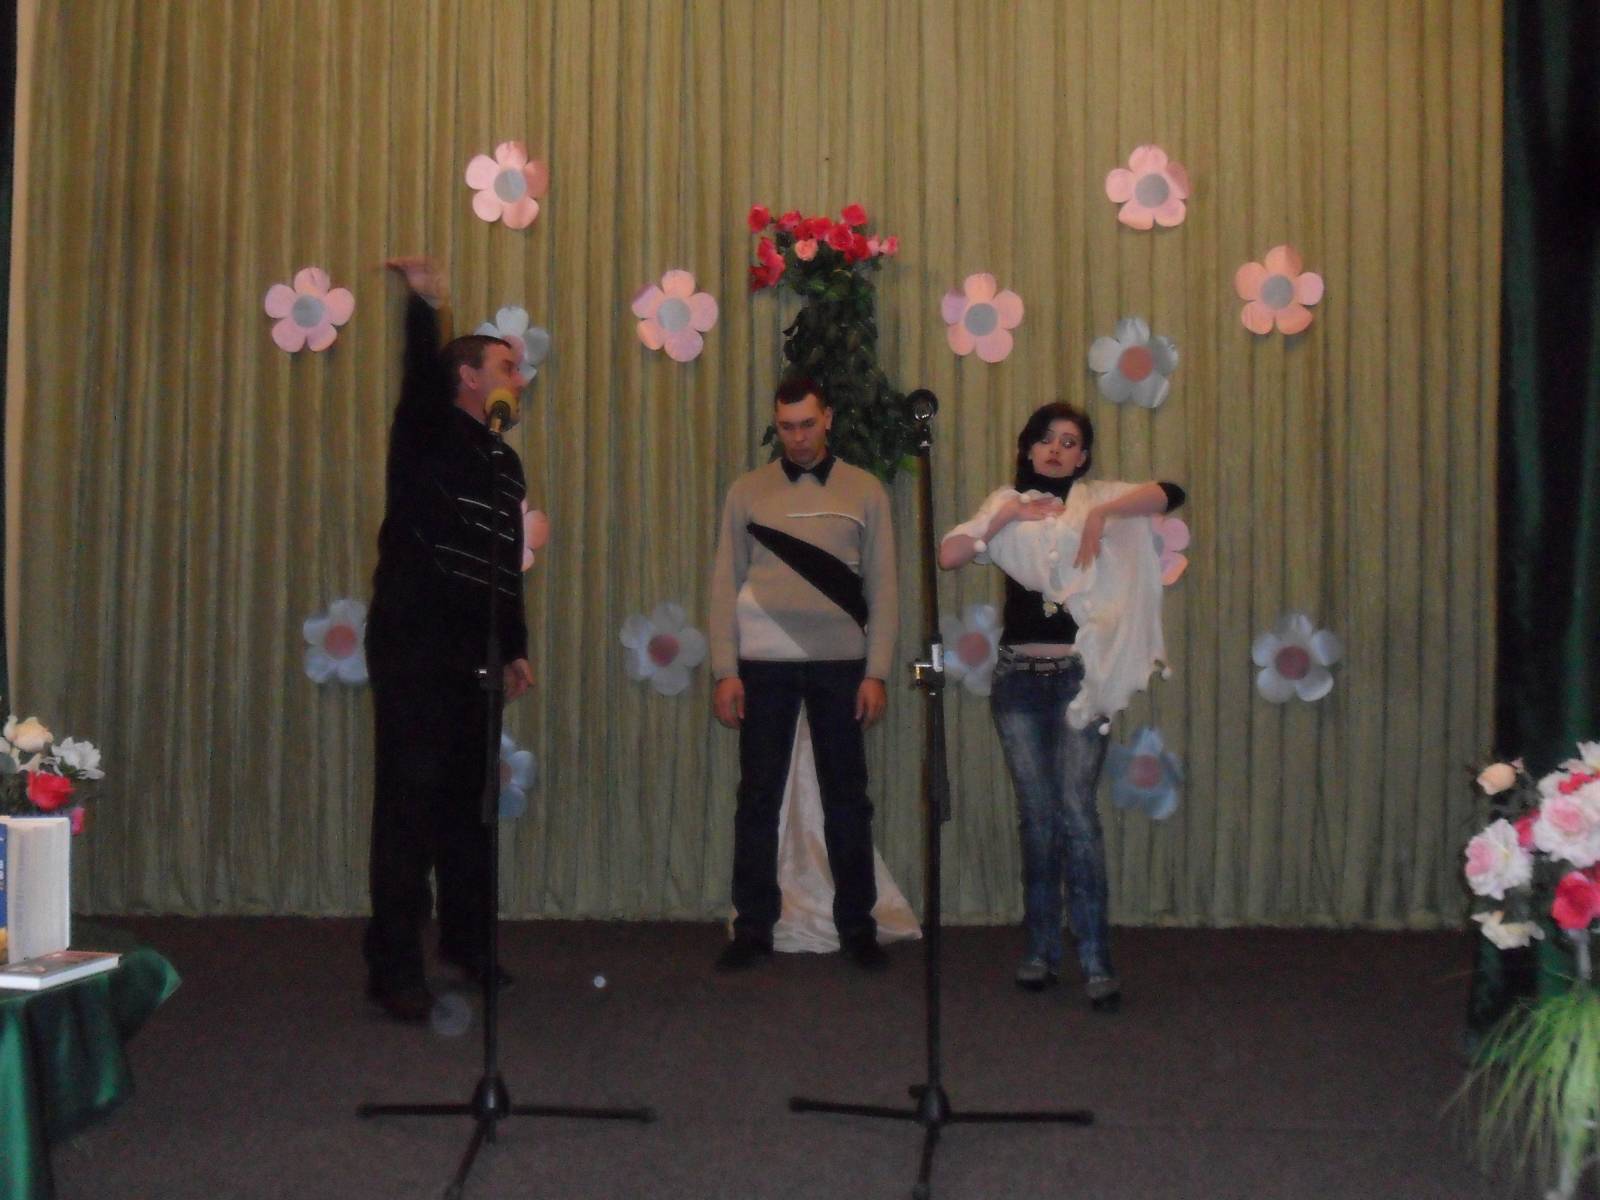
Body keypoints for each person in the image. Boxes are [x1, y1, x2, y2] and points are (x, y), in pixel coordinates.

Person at [938, 402, 1184, 1012]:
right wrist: (1006, 517)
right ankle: (1041, 951)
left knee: (1077, 813)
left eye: (1070, 442)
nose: (1055, 450)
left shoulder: (1097, 497)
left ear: (1083, 457)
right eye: (1046, 439)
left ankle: (1097, 958)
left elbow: (1169, 492)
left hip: (1079, 678)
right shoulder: (1005, 501)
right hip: (1018, 682)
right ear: (1028, 447)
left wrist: (1099, 514)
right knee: (1037, 817)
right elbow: (950, 554)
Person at [361, 256, 535, 1022]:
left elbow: (505, 562)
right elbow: (418, 379)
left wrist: (515, 644)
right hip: (415, 646)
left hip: (475, 652)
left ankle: (467, 945)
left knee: (470, 806)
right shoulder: (426, 432)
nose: (519, 378)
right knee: (410, 806)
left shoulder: (505, 461)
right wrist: (425, 308)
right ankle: (393, 968)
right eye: (506, 366)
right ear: (466, 377)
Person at [709, 376, 899, 972]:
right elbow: (723, 582)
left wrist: (877, 672)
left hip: (842, 665)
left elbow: (884, 587)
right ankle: (753, 927)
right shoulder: (747, 491)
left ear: (829, 418)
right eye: (787, 426)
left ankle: (858, 928)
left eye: (807, 424)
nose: (797, 437)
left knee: (848, 799)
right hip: (762, 666)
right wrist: (725, 670)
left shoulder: (866, 490)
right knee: (757, 797)